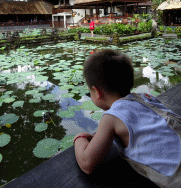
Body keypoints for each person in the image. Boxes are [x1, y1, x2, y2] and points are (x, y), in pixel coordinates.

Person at [73, 49, 181, 187]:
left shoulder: (111, 118)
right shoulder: (146, 97)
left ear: (97, 92)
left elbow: (87, 163)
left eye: (90, 92)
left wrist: (79, 138)